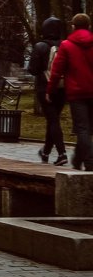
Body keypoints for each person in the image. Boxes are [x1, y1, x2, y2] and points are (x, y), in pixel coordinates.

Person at [47, 13, 93, 171]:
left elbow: (56, 70)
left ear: (73, 26)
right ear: (89, 26)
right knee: (88, 129)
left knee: (82, 128)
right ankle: (78, 159)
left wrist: (50, 90)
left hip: (76, 93)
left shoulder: (66, 45)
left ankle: (89, 162)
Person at [29, 17, 68, 165]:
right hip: (62, 88)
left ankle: (62, 153)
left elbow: (32, 69)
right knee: (53, 120)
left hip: (45, 87)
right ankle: (46, 151)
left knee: (53, 120)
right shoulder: (65, 45)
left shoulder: (40, 46)